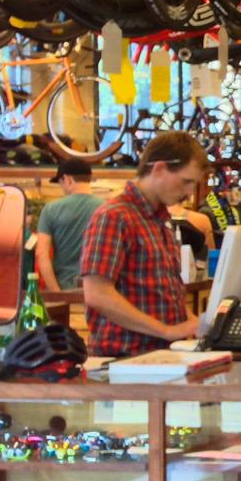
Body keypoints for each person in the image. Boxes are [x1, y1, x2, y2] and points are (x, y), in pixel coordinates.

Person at [80, 133, 207, 357]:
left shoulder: (159, 219)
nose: (189, 193)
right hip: (125, 360)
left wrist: (192, 322)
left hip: (159, 357)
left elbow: (159, 293)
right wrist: (166, 331)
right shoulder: (114, 217)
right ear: (158, 169)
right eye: (186, 182)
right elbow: (97, 294)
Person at [34, 161, 101, 292]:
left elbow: (42, 253)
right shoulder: (106, 208)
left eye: (60, 183)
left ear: (67, 179)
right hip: (98, 290)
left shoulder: (51, 209)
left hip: (64, 287)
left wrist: (56, 292)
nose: (62, 188)